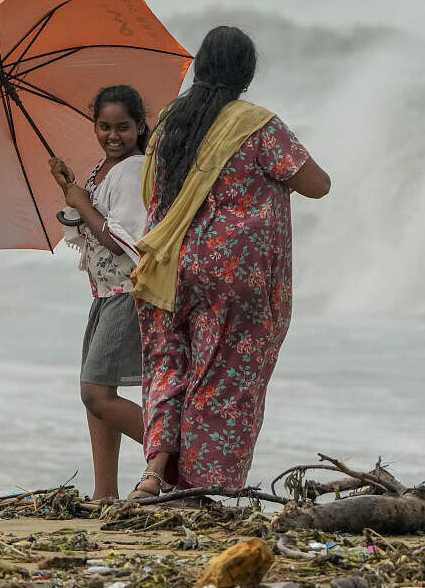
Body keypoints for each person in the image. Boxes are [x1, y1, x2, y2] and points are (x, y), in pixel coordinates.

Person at [129, 26, 330, 500]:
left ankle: (154, 476)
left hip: (168, 267)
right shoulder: (256, 124)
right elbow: (317, 184)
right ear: (246, 73)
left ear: (200, 65)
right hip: (233, 275)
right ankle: (197, 492)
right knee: (222, 379)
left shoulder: (169, 121)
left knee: (168, 369)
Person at [49, 85, 151, 501]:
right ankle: (104, 492)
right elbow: (85, 228)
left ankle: (178, 454)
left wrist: (82, 204)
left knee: (93, 391)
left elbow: (122, 238)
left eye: (123, 127)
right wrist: (71, 190)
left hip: (128, 292)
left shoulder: (134, 169)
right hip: (104, 294)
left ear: (141, 126)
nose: (113, 135)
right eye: (104, 126)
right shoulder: (102, 170)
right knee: (99, 396)